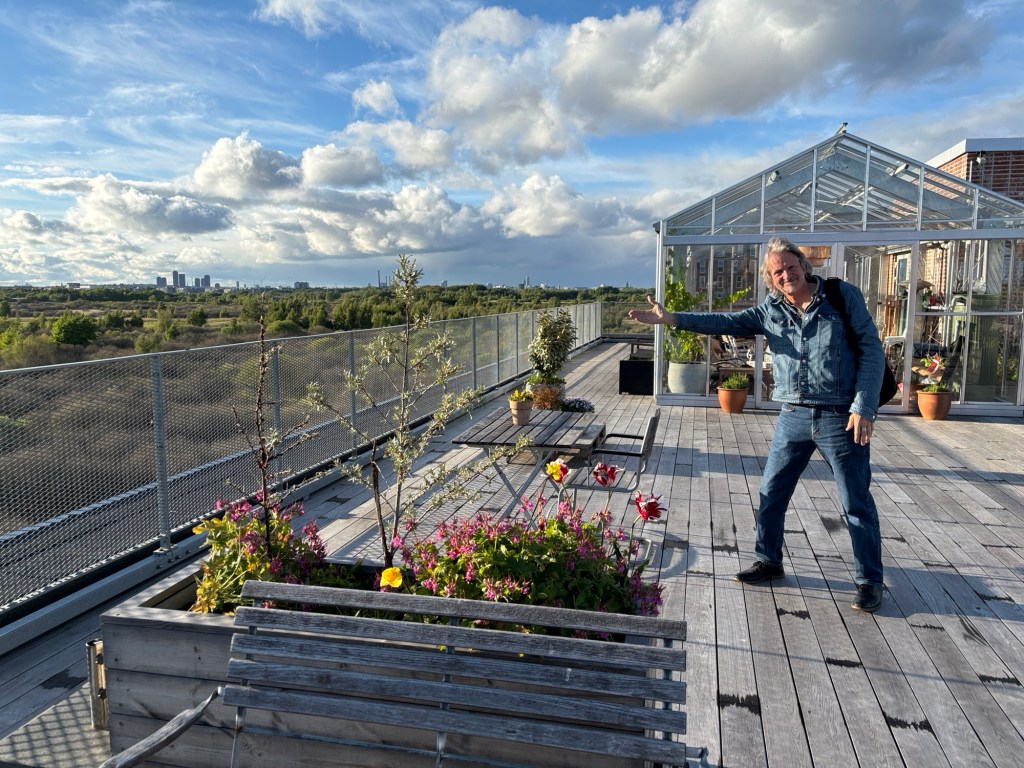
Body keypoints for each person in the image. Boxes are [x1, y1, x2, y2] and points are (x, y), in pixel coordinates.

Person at [628, 237, 885, 612]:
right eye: (777, 271)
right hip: (793, 415)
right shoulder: (771, 309)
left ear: (803, 265)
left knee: (855, 501)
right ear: (771, 278)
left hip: (840, 417)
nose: (786, 275)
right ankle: (770, 561)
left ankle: (869, 580)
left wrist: (864, 406)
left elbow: (871, 350)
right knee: (771, 494)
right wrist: (672, 319)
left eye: (790, 266)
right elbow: (724, 321)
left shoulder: (842, 297)